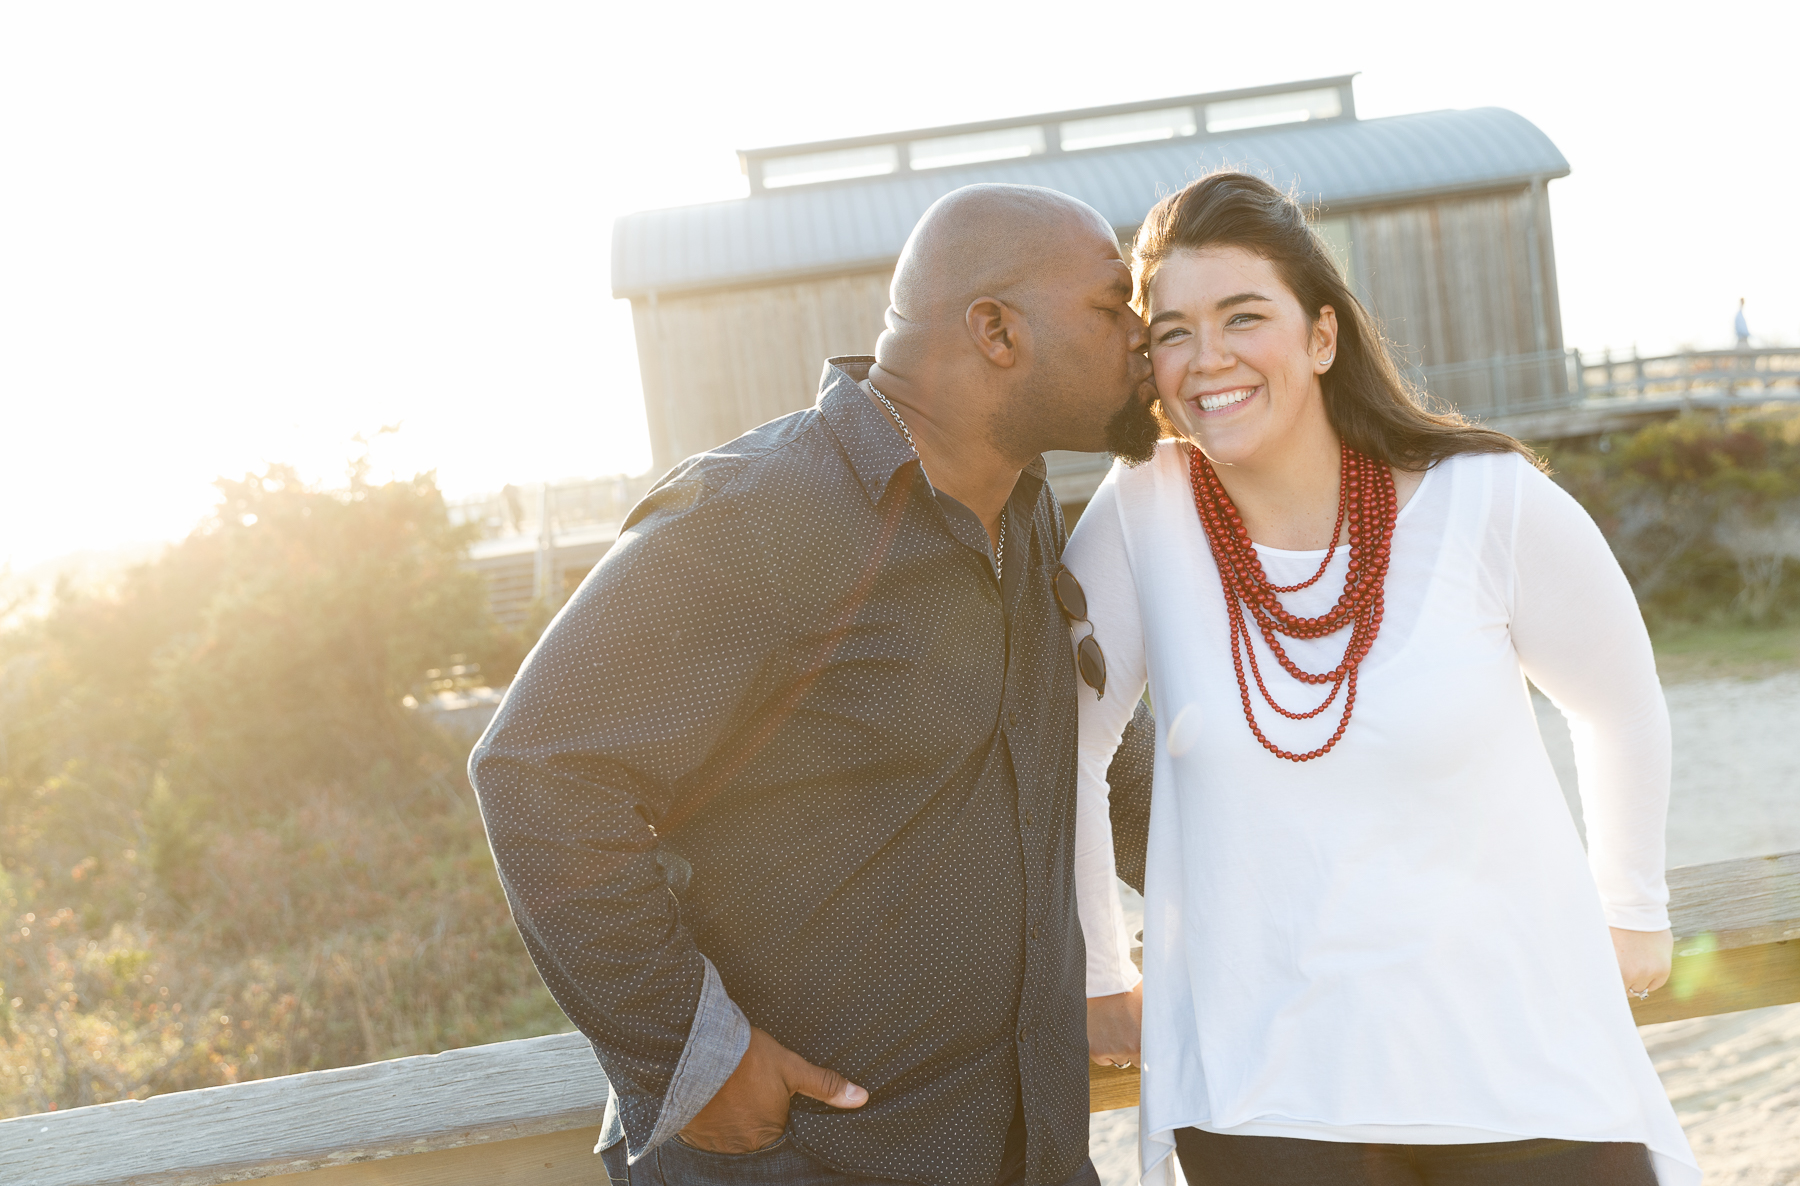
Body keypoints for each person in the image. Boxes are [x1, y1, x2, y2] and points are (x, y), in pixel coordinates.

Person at [469, 182, 1162, 1186]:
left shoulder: (1025, 516)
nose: (1143, 337)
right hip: (809, 1161)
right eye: (1112, 305)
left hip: (1024, 1149)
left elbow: (1087, 751)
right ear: (996, 331)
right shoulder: (760, 514)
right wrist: (691, 1056)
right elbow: (540, 772)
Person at [1067, 172, 1700, 1186]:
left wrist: (1631, 909)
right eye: (1174, 330)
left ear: (1321, 337)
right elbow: (1068, 742)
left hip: (1519, 1062)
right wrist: (1103, 970)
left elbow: (1619, 699)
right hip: (1268, 1090)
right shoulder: (1144, 515)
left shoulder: (1483, 500)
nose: (1208, 357)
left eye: (1243, 316)